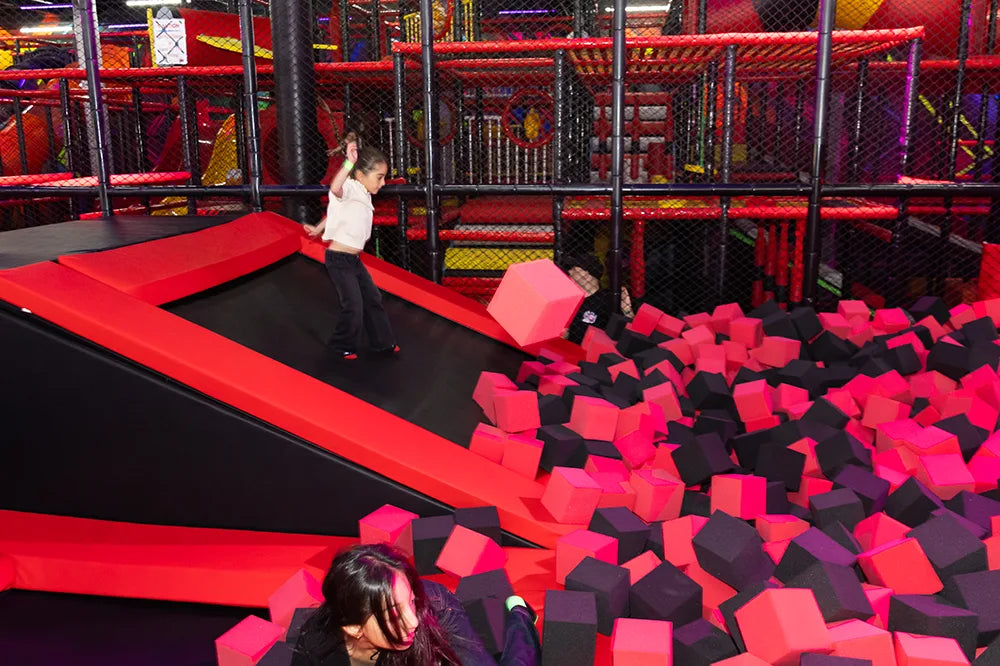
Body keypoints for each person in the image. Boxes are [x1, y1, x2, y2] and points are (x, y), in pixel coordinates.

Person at [293, 543, 541, 666]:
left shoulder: (430, 610)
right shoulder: (316, 646)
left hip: (438, 609)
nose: (413, 620)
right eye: (393, 615)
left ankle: (520, 614)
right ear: (354, 628)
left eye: (410, 601)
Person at [305, 138, 398, 360]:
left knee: (372, 298)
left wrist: (319, 227)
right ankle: (340, 345)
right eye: (379, 177)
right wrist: (348, 163)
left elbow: (337, 212)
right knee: (353, 305)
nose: (383, 183)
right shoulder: (349, 187)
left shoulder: (362, 193)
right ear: (360, 175)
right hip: (338, 259)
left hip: (354, 260)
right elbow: (335, 188)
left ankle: (382, 342)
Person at [562, 253, 634, 344]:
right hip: (574, 352)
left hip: (602, 352)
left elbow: (631, 332)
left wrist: (627, 310)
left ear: (587, 274)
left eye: (574, 269)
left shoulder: (609, 298)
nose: (570, 272)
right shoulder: (570, 301)